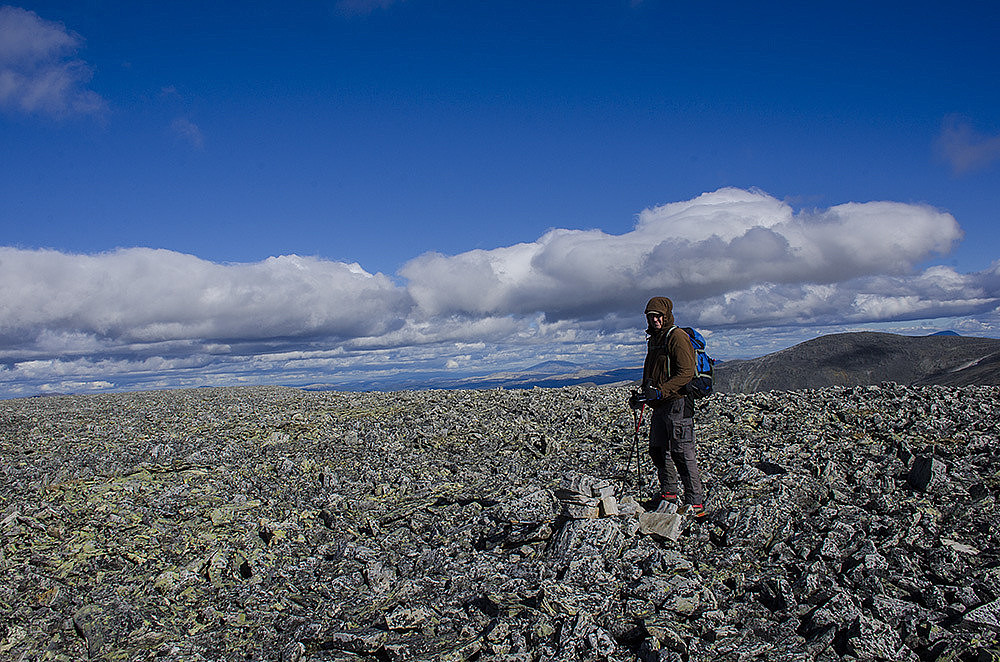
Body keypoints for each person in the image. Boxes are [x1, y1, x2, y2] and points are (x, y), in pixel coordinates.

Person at [630, 296, 707, 517]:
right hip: (659, 404)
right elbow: (652, 371)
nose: (654, 319)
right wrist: (643, 396)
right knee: (657, 449)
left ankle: (695, 503)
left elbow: (686, 373)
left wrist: (661, 391)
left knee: (682, 452)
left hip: (678, 402)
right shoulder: (655, 339)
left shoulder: (677, 337)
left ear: (666, 315)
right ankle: (669, 493)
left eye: (658, 316)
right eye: (650, 316)